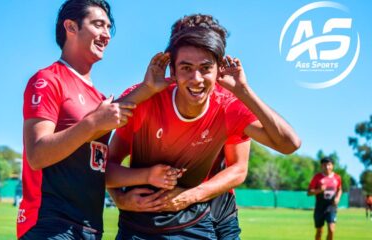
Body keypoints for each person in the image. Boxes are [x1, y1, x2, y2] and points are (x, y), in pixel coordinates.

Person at [108, 14, 301, 239]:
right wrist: (123, 196)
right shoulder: (145, 99)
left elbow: (280, 148)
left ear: (220, 67)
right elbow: (103, 163)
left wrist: (244, 91)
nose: (196, 78)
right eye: (186, 67)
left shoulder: (228, 104)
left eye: (206, 67)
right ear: (172, 68)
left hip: (210, 209)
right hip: (145, 221)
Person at [17, 0, 180, 239]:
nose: (106, 35)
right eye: (98, 25)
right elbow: (37, 155)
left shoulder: (98, 98)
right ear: (71, 27)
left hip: (89, 226)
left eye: (108, 27)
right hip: (49, 223)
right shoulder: (48, 80)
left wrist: (148, 88)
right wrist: (93, 123)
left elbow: (100, 151)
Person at [308, 157, 342, 240]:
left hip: (331, 207)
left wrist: (337, 198)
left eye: (329, 165)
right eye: (324, 165)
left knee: (331, 229)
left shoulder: (337, 178)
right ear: (321, 166)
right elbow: (309, 192)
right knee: (319, 231)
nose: (327, 167)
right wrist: (319, 190)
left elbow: (340, 189)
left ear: (332, 166)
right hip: (319, 207)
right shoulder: (317, 177)